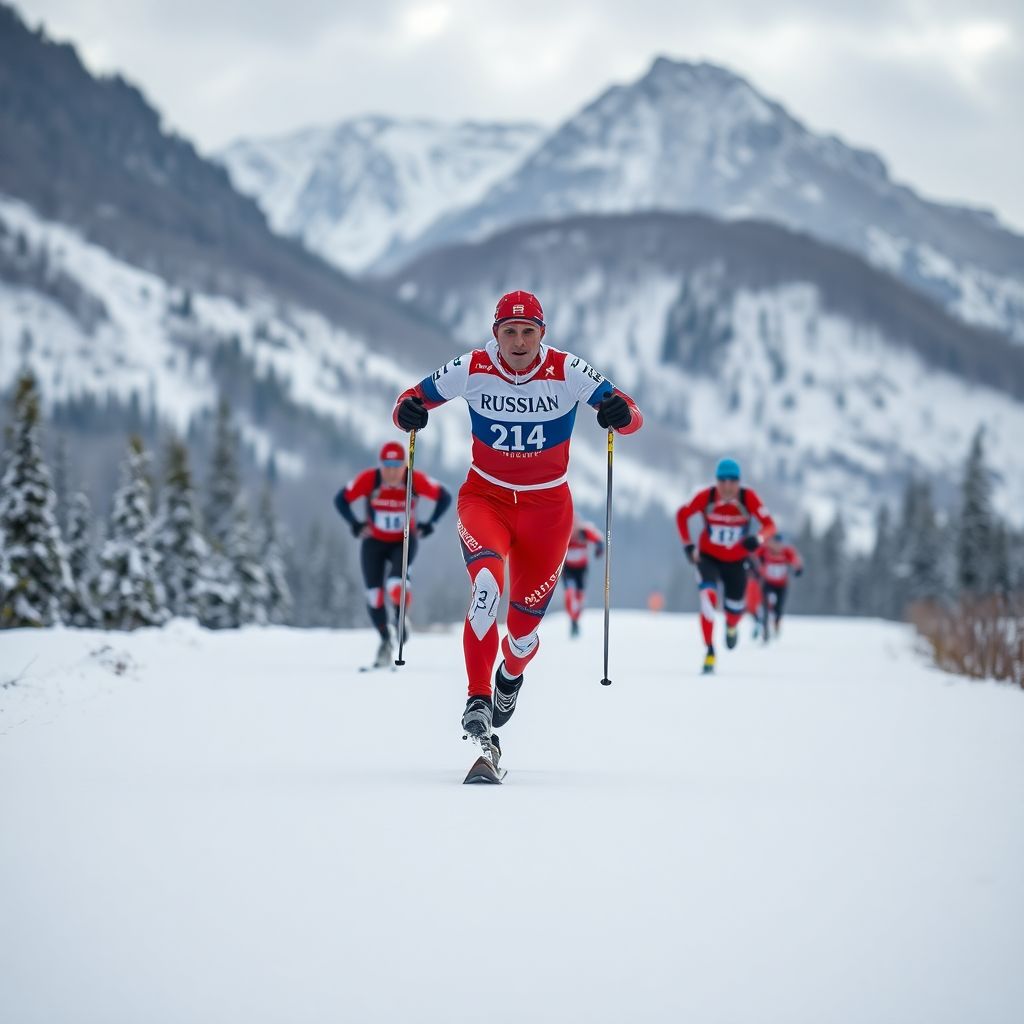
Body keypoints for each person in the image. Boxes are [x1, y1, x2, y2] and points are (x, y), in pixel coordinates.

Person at [392, 290, 643, 738]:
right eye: (510, 331)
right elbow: (411, 399)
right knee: (487, 585)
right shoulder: (473, 367)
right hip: (485, 500)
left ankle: (510, 674)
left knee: (523, 634)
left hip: (547, 512)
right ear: (496, 334)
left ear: (542, 334)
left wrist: (619, 414)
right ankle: (477, 699)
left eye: (529, 332)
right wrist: (407, 411)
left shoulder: (567, 369)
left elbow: (631, 416)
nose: (520, 342)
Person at [334, 441, 452, 666]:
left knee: (396, 585)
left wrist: (431, 524)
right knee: (374, 596)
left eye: (396, 465)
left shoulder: (414, 480)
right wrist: (356, 525)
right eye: (386, 465)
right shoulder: (370, 480)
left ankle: (400, 617)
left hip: (404, 540)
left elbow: (444, 497)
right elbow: (341, 499)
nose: (391, 471)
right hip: (374, 543)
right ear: (380, 465)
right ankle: (385, 640)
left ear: (404, 466)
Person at [675, 457, 776, 674]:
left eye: (732, 481)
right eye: (722, 480)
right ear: (716, 481)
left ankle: (731, 626)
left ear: (739, 482)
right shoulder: (707, 497)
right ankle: (710, 651)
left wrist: (757, 539)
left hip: (736, 562)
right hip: (708, 558)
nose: (727, 486)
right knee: (708, 598)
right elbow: (682, 515)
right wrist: (688, 546)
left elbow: (770, 525)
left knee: (734, 609)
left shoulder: (748, 498)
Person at [755, 532, 803, 639]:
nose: (776, 546)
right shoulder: (765, 550)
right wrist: (756, 567)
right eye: (774, 543)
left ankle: (776, 623)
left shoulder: (787, 552)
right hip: (767, 582)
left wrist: (798, 569)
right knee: (765, 605)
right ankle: (765, 629)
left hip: (781, 585)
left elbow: (795, 561)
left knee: (779, 608)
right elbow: (755, 556)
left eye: (779, 543)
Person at [562, 516, 604, 638]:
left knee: (580, 597)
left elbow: (598, 538)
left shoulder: (585, 532)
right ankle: (572, 619)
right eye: (572, 526)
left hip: (581, 570)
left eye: (576, 526)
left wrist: (599, 547)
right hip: (568, 569)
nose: (574, 530)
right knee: (570, 593)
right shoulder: (566, 533)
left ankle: (576, 620)